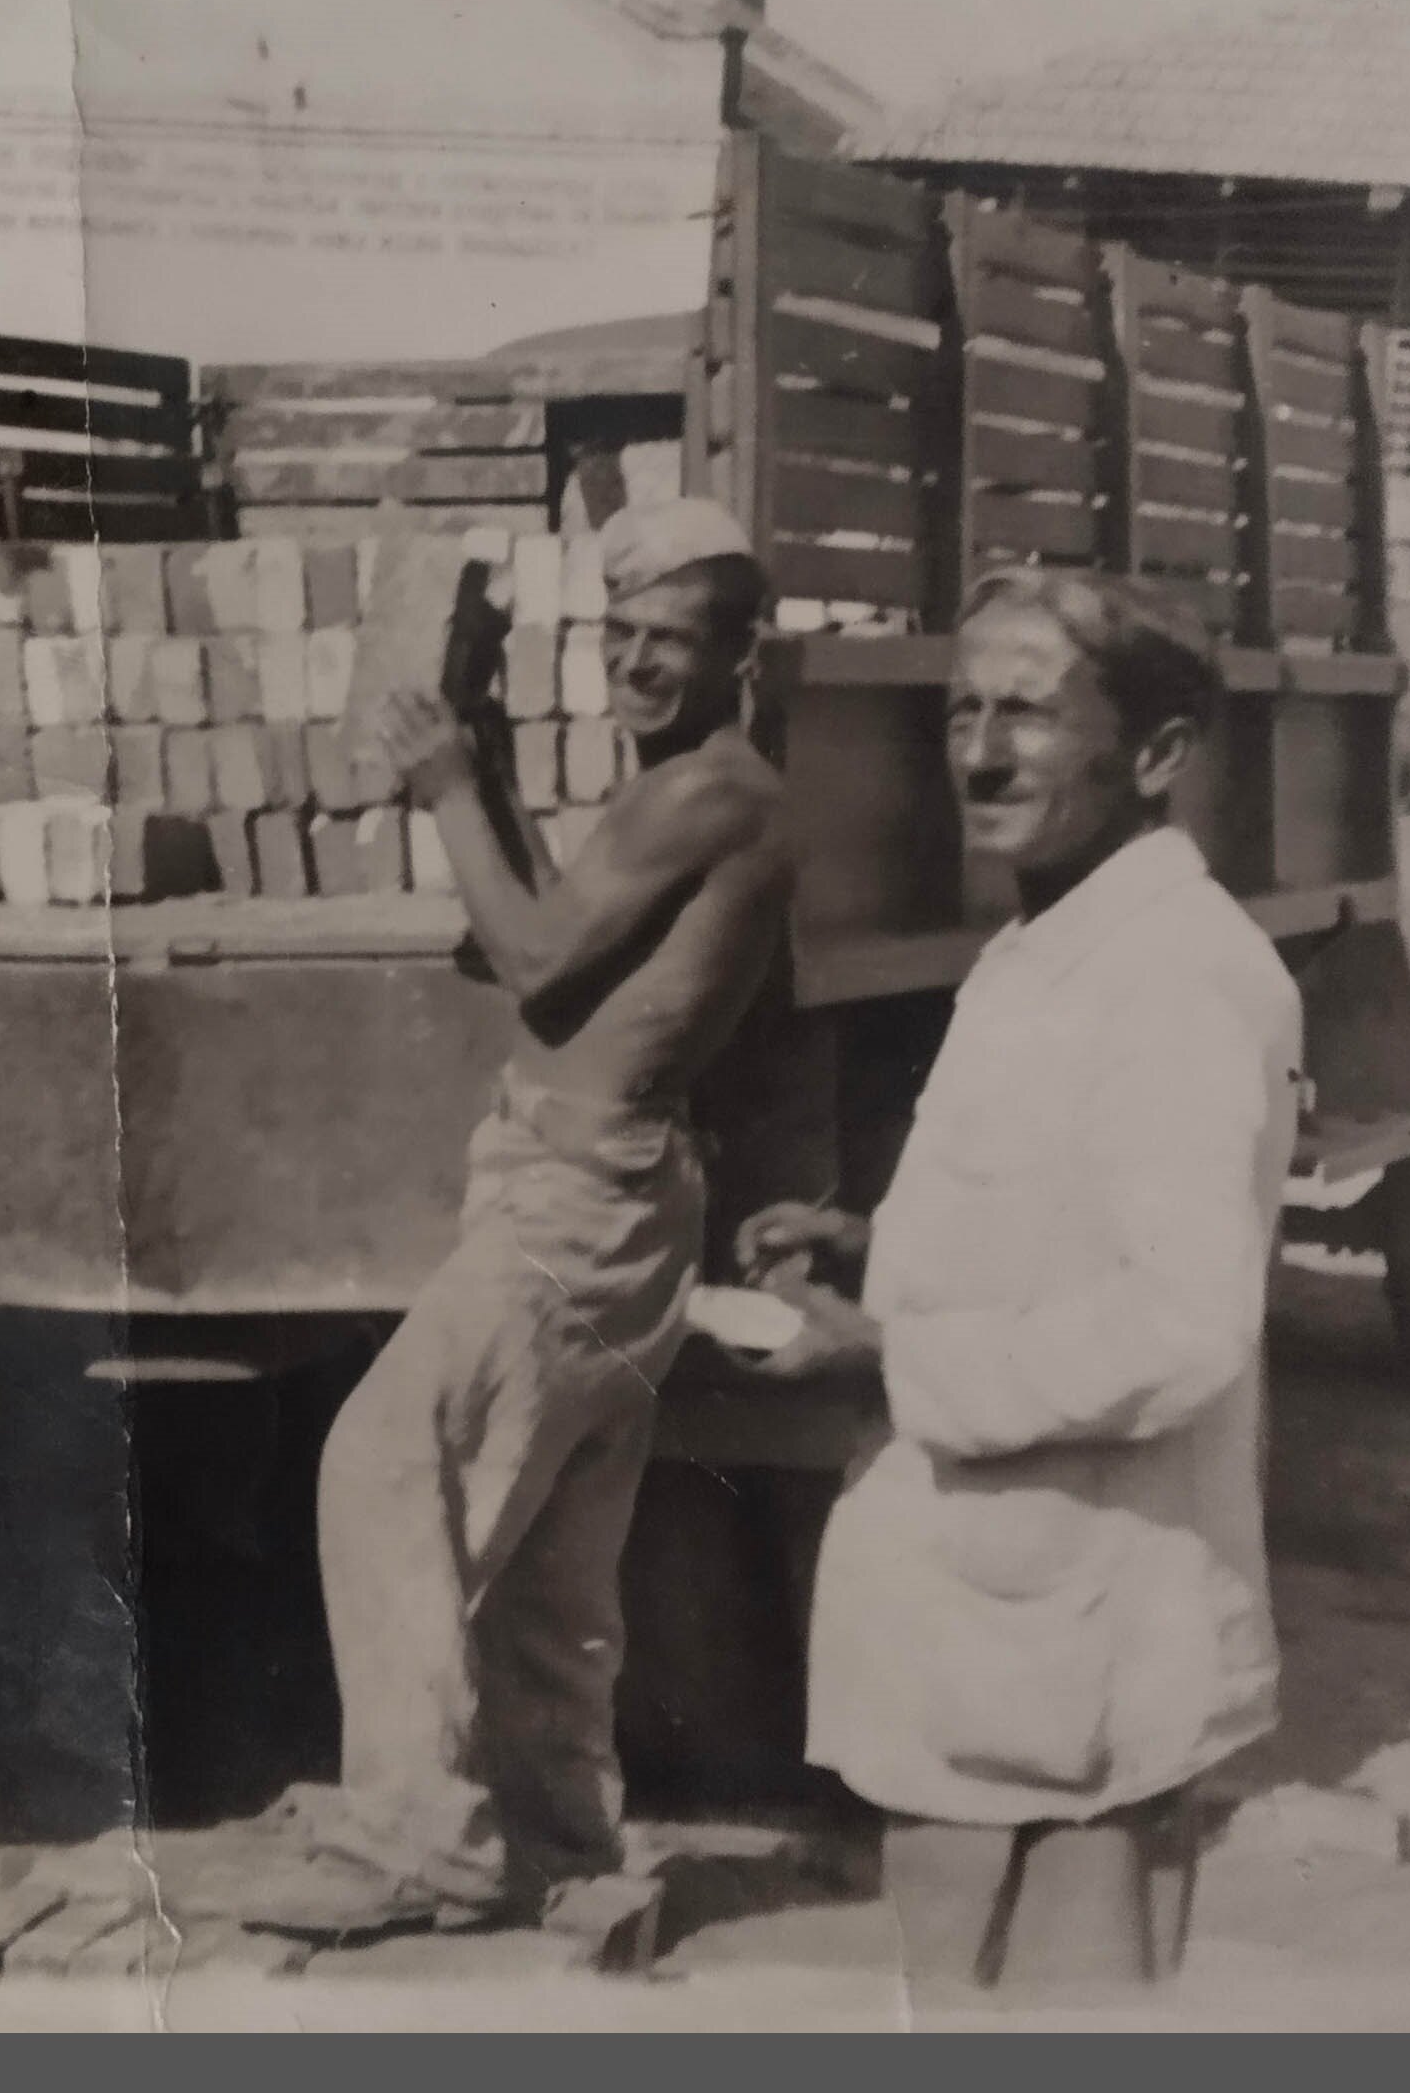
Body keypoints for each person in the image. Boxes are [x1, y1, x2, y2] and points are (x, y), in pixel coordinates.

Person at [243, 499, 800, 1939]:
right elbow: (564, 933)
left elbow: (542, 960)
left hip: (581, 1199)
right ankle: (557, 1835)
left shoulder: (708, 791)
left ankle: (417, 1839)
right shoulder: (683, 786)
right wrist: (483, 764)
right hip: (605, 1193)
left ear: (740, 658)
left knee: (384, 1458)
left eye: (672, 641)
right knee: (550, 1555)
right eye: (620, 634)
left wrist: (445, 789)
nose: (636, 664)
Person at [743, 565, 1300, 1996]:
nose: (981, 756)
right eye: (962, 712)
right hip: (1005, 1631)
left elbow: (1181, 1325)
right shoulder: (1049, 943)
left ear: (1158, 755)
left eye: (1031, 716)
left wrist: (883, 1355)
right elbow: (1060, 1215)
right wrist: (870, 1246)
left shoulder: (1174, 978)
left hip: (1077, 1639)